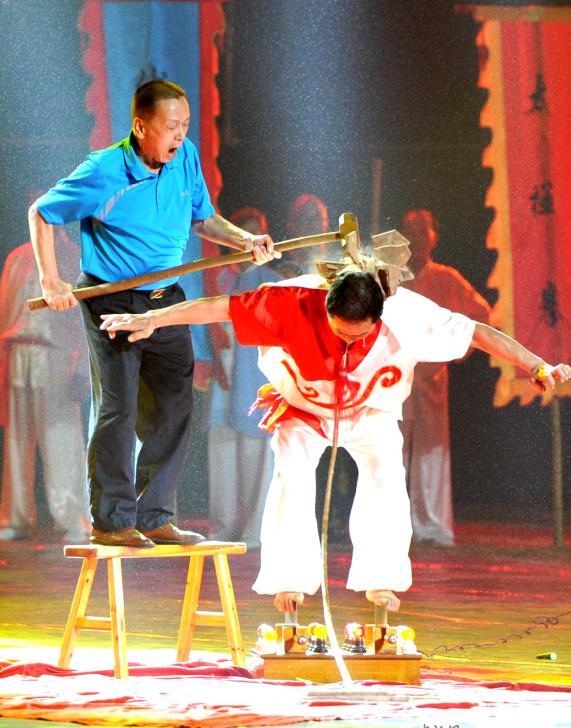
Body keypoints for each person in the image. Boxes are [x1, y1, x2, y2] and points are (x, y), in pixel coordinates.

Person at [98, 268, 571, 612]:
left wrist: (537, 366)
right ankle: (289, 579)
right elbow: (217, 307)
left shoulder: (406, 315)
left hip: (369, 410)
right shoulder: (292, 301)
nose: (345, 345)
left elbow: (479, 333)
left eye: (356, 336)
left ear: (377, 317)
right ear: (325, 308)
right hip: (303, 408)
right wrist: (153, 320)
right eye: (338, 333)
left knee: (386, 469)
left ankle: (382, 578)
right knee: (291, 471)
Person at [27, 78, 277, 549]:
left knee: (175, 405)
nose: (180, 136)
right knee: (118, 406)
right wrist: (50, 279)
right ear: (141, 126)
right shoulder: (103, 171)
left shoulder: (183, 157)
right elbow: (41, 213)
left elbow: (204, 218)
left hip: (167, 299)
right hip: (112, 299)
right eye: (170, 127)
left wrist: (243, 242)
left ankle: (155, 514)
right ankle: (113, 519)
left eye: (184, 125)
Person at [400, 209, 491, 545]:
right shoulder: (392, 276)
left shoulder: (446, 278)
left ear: (434, 236)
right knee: (392, 452)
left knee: (432, 452)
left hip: (430, 379)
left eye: (423, 231)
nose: (417, 238)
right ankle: (395, 526)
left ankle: (432, 525)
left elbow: (480, 313)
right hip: (395, 376)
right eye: (410, 230)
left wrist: (457, 350)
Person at [0, 228, 89, 543]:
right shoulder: (18, 256)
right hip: (18, 349)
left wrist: (81, 365)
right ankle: (15, 516)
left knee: (61, 434)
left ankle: (73, 517)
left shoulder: (73, 254)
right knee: (17, 437)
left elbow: (83, 315)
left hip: (57, 353)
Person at [207, 207, 281, 545]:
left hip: (255, 379)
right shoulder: (220, 277)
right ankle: (223, 526)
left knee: (256, 451)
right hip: (225, 375)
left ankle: (256, 528)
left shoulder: (274, 282)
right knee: (223, 449)